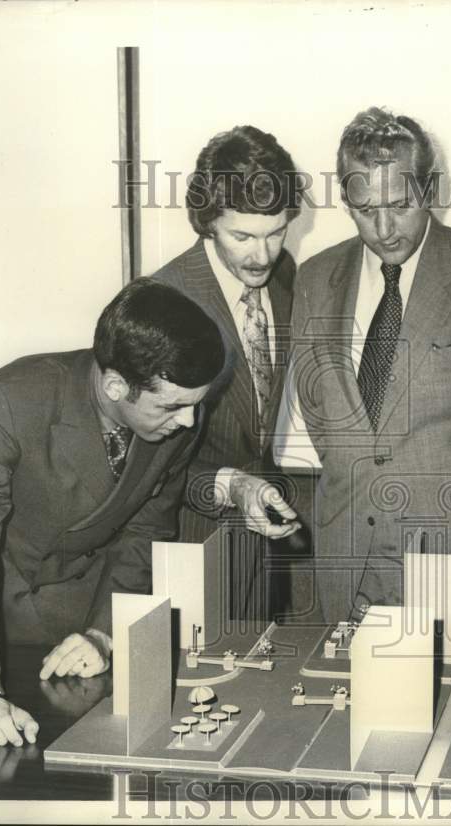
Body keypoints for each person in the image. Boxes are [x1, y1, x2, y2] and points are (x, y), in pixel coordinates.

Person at [0, 279, 258, 747]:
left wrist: (101, 634)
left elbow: (145, 535)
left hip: (78, 623)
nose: (189, 423)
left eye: (195, 405)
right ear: (115, 385)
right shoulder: (11, 398)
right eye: (173, 406)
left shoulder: (177, 414)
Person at [291, 107, 451, 633]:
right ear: (345, 201)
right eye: (364, 210)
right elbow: (322, 413)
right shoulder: (315, 278)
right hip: (350, 561)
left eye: (400, 205)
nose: (384, 229)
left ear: (428, 189)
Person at [150, 125, 302, 618]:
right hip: (188, 541)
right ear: (207, 222)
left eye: (276, 232)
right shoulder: (162, 301)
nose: (262, 256)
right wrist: (231, 485)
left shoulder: (285, 277)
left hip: (264, 548)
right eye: (242, 236)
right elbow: (144, 466)